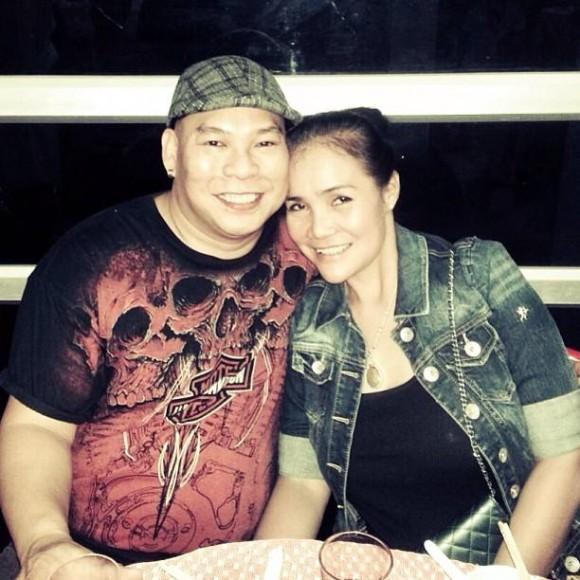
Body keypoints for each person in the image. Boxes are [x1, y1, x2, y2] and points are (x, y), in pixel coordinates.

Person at [0, 55, 316, 579]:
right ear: (172, 152)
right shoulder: (94, 261)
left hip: (236, 563)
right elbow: (36, 426)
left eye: (264, 143)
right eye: (214, 143)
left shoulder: (308, 247)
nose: (243, 168)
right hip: (88, 560)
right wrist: (44, 544)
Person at [256, 108, 580, 579]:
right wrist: (260, 571)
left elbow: (565, 455)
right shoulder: (311, 320)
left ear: (388, 190)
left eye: (340, 199)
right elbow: (301, 486)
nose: (318, 229)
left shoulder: (477, 278)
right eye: (297, 206)